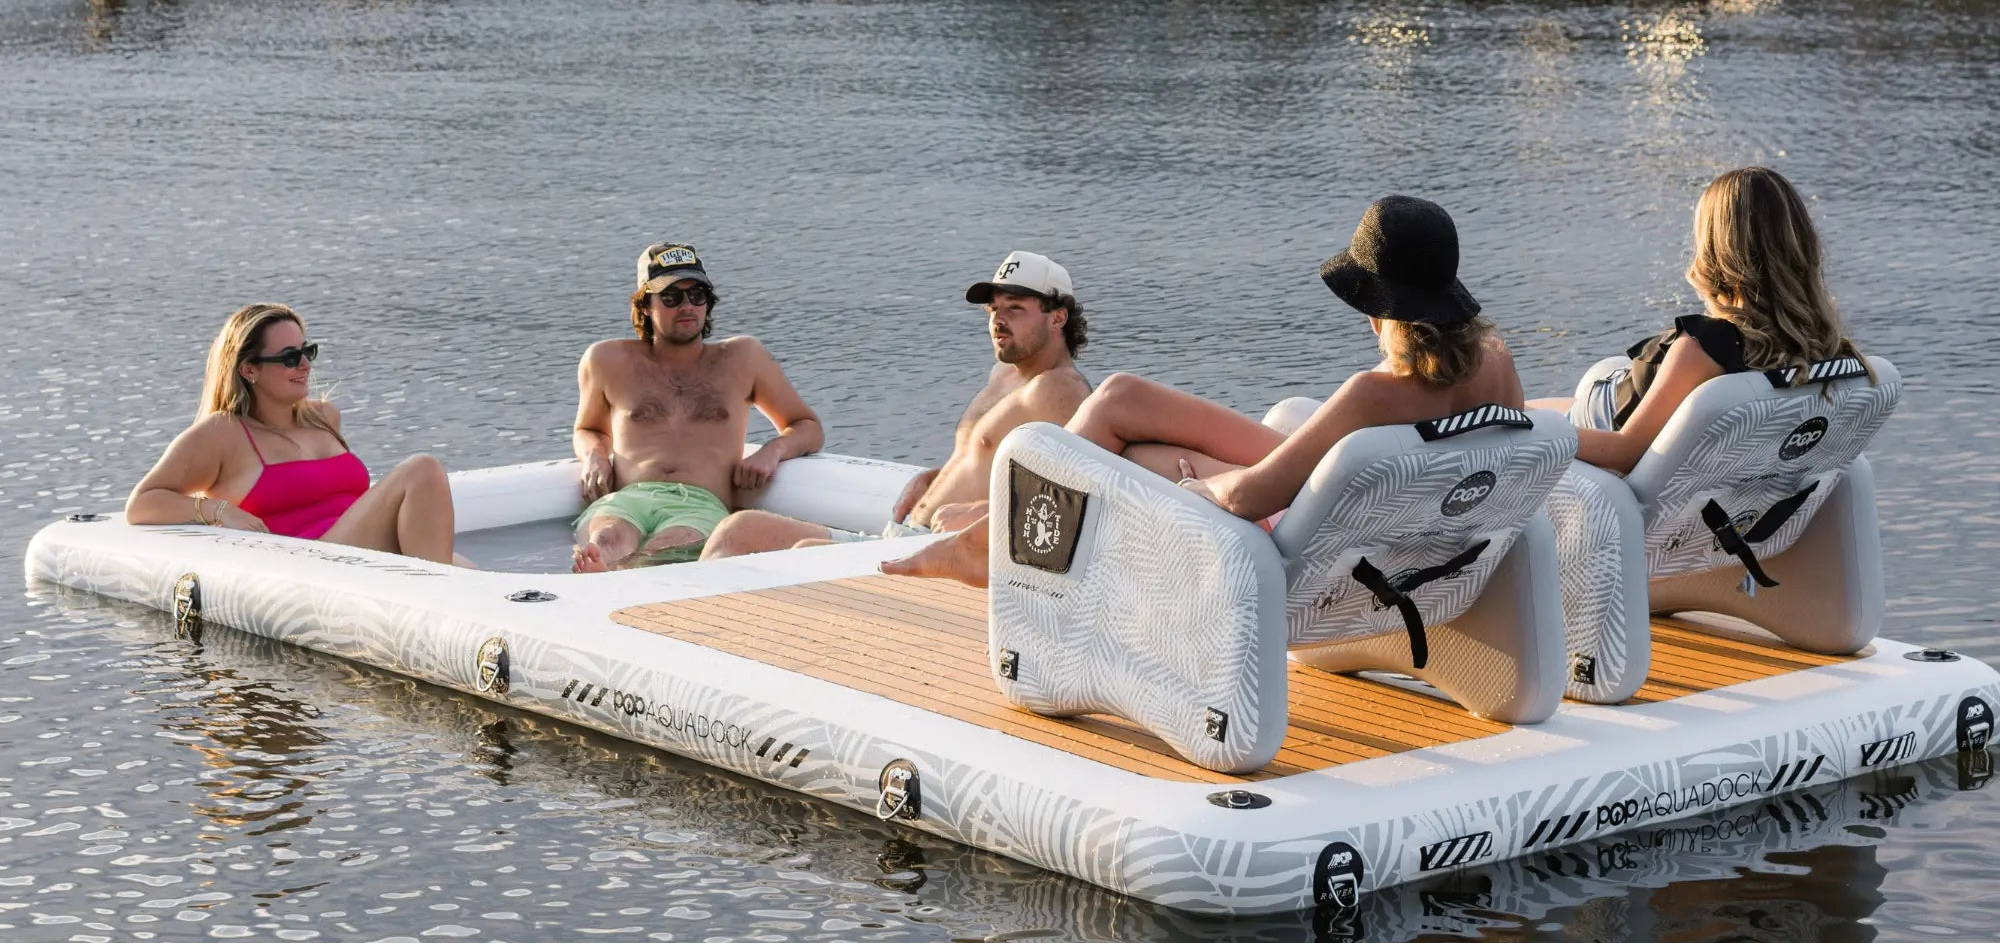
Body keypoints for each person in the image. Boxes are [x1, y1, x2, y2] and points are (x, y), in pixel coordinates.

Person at [883, 195, 1523, 587]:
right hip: (1395, 529)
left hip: (1331, 548)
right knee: (1122, 397)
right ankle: (997, 521)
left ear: (1383, 308)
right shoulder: (1495, 364)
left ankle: (985, 542)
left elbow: (1249, 496)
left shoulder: (1375, 392)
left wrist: (1199, 486)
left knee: (1131, 444)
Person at [700, 250, 1093, 558]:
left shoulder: (1061, 390)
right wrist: (936, 477)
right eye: (994, 309)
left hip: (936, 553)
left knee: (801, 554)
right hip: (902, 536)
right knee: (738, 531)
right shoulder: (1005, 375)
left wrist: (982, 515)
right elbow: (992, 460)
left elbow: (1077, 500)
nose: (998, 321)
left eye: (1015, 309)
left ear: (1057, 318)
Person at [1529, 166, 1870, 473]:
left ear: (1717, 250)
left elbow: (1626, 451)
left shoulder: (1705, 346)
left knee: (1517, 420)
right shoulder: (1822, 348)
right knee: (1529, 411)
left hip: (1602, 424)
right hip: (1614, 402)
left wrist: (1542, 435)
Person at [125, 303, 459, 564]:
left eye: (306, 352)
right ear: (249, 369)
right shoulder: (222, 432)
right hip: (309, 565)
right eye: (289, 357)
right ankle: (439, 603)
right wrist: (218, 510)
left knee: (479, 580)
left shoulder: (324, 417)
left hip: (363, 555)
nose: (305, 365)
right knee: (422, 469)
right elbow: (142, 503)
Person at [571, 242, 824, 571]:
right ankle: (597, 569)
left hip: (700, 503)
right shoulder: (607, 360)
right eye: (672, 298)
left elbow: (808, 426)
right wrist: (594, 454)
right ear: (645, 305)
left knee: (669, 547)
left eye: (697, 295)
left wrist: (772, 451)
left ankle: (613, 581)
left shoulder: (743, 359)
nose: (687, 306)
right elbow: (587, 428)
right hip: (628, 497)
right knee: (606, 540)